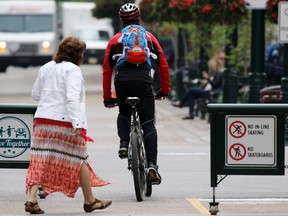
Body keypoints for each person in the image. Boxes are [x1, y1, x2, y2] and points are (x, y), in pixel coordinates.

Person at [25, 36, 112, 214]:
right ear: (78, 54)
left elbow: (35, 94)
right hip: (65, 121)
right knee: (80, 159)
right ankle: (89, 201)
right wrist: (77, 122)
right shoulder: (73, 70)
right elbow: (72, 98)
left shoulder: (46, 67)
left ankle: (32, 199)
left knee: (40, 159)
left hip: (42, 120)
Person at [102, 3, 170, 185]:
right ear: (139, 18)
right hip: (143, 81)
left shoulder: (115, 40)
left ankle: (124, 143)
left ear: (122, 20)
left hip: (123, 82)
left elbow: (107, 69)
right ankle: (153, 166)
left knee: (124, 112)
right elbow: (163, 64)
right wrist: (165, 89)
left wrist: (107, 97)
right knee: (148, 123)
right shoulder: (148, 37)